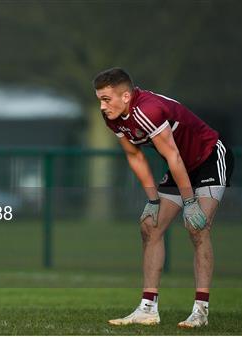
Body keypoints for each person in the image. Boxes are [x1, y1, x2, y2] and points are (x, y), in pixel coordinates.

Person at [93, 68, 234, 328]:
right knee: (150, 226)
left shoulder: (147, 110)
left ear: (126, 96)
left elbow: (173, 157)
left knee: (196, 226)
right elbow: (135, 156)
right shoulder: (113, 116)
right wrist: (153, 200)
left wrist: (190, 203)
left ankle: (200, 311)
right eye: (99, 99)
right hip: (181, 164)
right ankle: (148, 309)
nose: (102, 106)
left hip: (209, 159)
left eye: (106, 99)